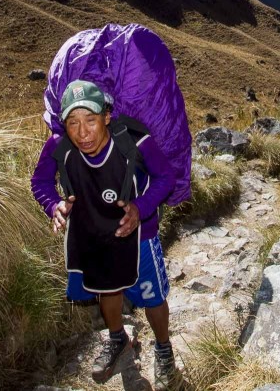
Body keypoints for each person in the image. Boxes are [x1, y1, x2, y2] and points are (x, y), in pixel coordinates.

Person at [31, 79, 180, 389]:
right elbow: (40, 182)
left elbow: (165, 177)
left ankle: (163, 347)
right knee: (106, 289)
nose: (82, 132)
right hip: (94, 235)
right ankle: (117, 338)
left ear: (107, 117)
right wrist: (54, 205)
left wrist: (141, 208)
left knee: (152, 296)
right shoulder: (59, 147)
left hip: (139, 235)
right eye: (73, 122)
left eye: (90, 120)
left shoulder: (136, 142)